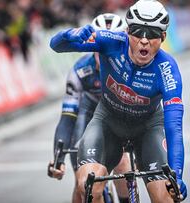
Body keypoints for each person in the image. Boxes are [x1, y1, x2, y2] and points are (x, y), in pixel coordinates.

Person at [49, 0, 187, 202]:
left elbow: (174, 126)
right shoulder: (110, 41)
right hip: (108, 123)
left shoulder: (167, 69)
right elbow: (56, 45)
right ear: (128, 31)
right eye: (138, 32)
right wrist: (67, 35)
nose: (144, 40)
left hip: (148, 129)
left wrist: (177, 175)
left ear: (164, 36)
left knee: (166, 197)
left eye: (153, 34)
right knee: (87, 185)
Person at [47, 13, 132, 203]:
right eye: (101, 50)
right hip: (86, 120)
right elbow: (67, 118)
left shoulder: (132, 66)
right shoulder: (80, 71)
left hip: (117, 119)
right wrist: (58, 158)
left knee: (124, 164)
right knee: (83, 185)